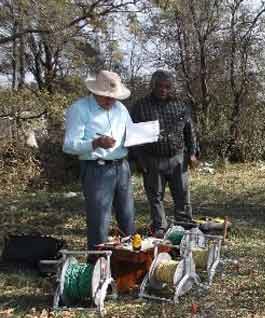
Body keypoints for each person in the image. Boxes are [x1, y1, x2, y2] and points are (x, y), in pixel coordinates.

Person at [63, 70, 136, 249]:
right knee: (99, 221)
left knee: (127, 217)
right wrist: (95, 143)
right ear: (95, 91)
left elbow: (131, 131)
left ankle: (131, 263)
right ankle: (97, 265)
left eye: (114, 97)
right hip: (96, 169)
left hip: (122, 167)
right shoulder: (80, 109)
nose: (110, 100)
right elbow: (69, 145)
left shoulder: (121, 108)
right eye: (105, 96)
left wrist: (140, 138)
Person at [129, 71, 199, 237]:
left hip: (177, 157)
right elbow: (133, 135)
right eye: (159, 86)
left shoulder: (180, 105)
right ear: (152, 85)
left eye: (167, 87)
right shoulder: (140, 106)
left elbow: (190, 130)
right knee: (155, 196)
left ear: (171, 88)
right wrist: (138, 159)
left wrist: (193, 153)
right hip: (151, 158)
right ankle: (160, 228)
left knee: (182, 193)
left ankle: (185, 226)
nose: (163, 90)